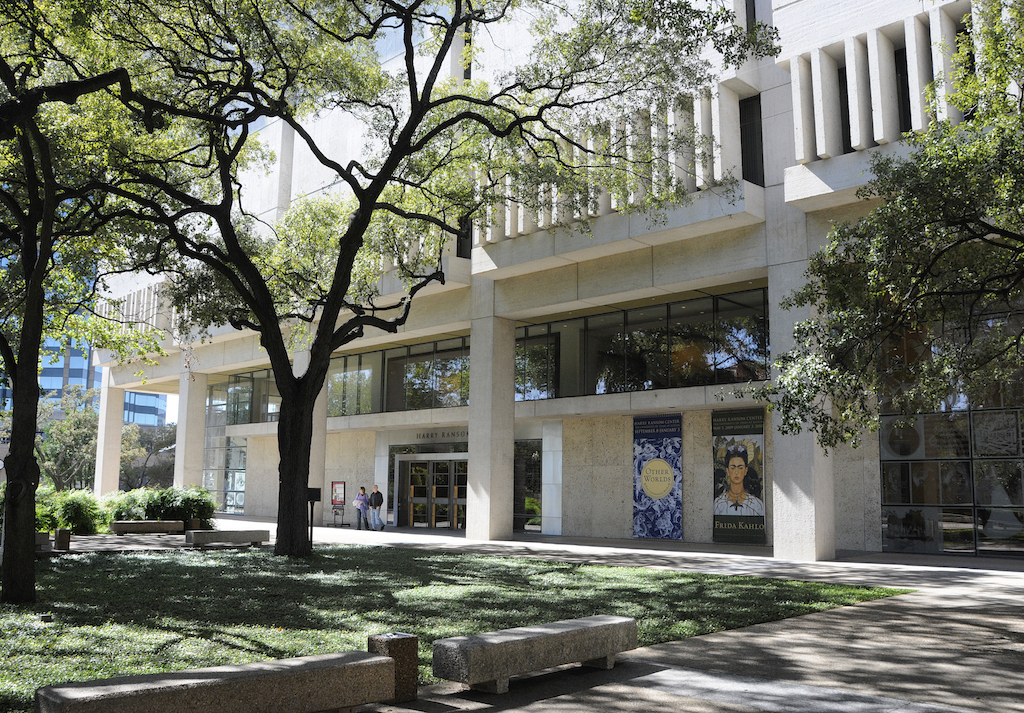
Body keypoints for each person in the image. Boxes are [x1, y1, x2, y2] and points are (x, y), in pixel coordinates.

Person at [714, 444, 765, 516]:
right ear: (728, 470)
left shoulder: (757, 505)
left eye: (740, 468)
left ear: (746, 470)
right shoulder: (718, 504)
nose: (736, 472)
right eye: (733, 467)